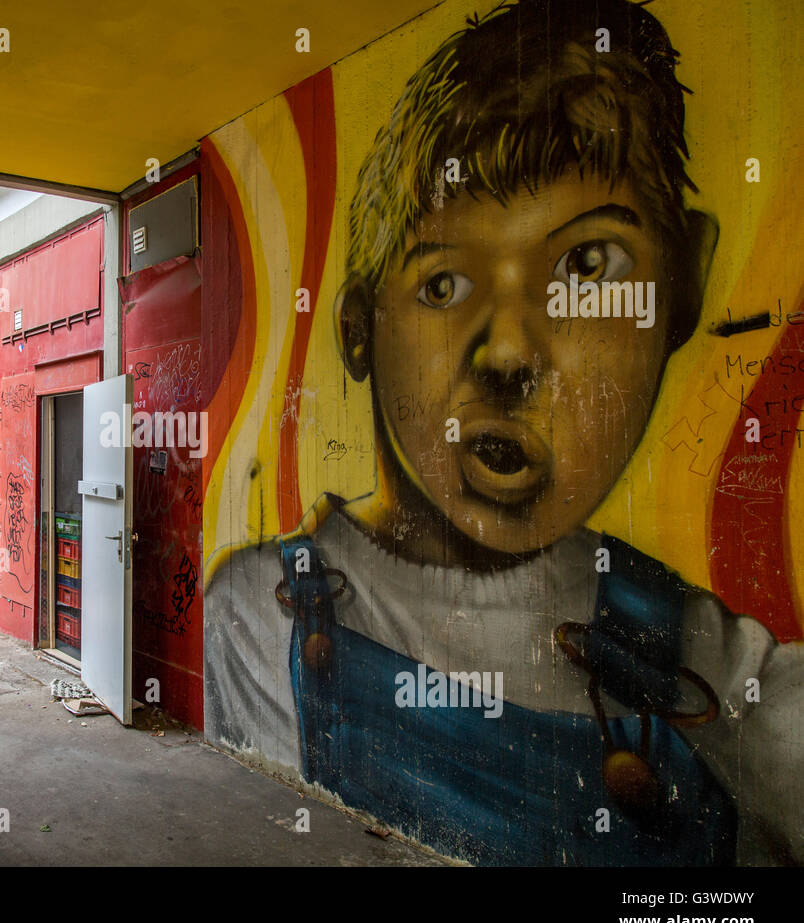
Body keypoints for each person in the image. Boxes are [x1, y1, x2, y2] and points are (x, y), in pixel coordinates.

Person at [204, 0, 803, 865]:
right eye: (443, 284)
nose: (511, 351)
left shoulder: (692, 647)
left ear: (684, 281)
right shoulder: (263, 618)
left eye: (587, 265)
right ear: (359, 327)